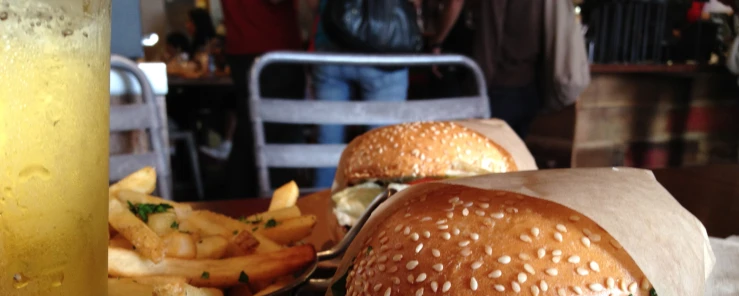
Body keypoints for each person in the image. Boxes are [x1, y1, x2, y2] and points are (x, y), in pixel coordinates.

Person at [309, 0, 411, 189]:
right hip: (385, 49)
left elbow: (313, 3)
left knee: (327, 147)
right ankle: (379, 210)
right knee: (382, 147)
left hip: (332, 44)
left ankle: (320, 210)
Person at [220, 0, 305, 197]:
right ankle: (280, 210)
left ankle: (241, 207)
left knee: (250, 131)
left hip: (242, 44)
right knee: (278, 136)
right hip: (271, 44)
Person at [431, 0, 545, 139]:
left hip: (499, 86)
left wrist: (475, 94)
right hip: (529, 83)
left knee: (485, 150)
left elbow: (489, 42)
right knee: (514, 151)